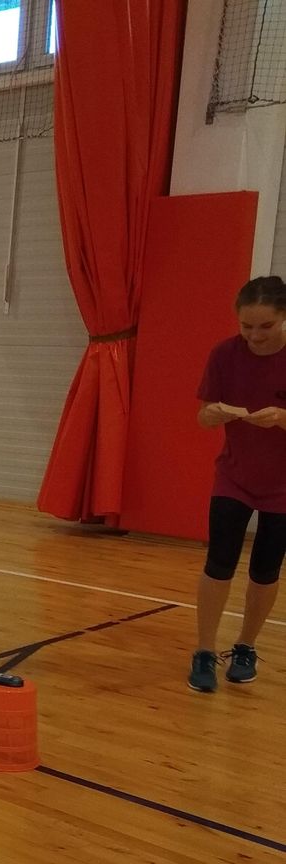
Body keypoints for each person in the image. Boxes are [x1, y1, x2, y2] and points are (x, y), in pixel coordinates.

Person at [188, 275, 286, 693]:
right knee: (219, 561)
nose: (255, 335)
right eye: (247, 326)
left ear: (283, 317)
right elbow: (203, 415)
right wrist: (211, 415)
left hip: (282, 487)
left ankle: (245, 646)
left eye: (266, 326)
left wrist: (282, 418)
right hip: (234, 476)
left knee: (265, 569)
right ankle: (204, 651)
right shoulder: (224, 354)